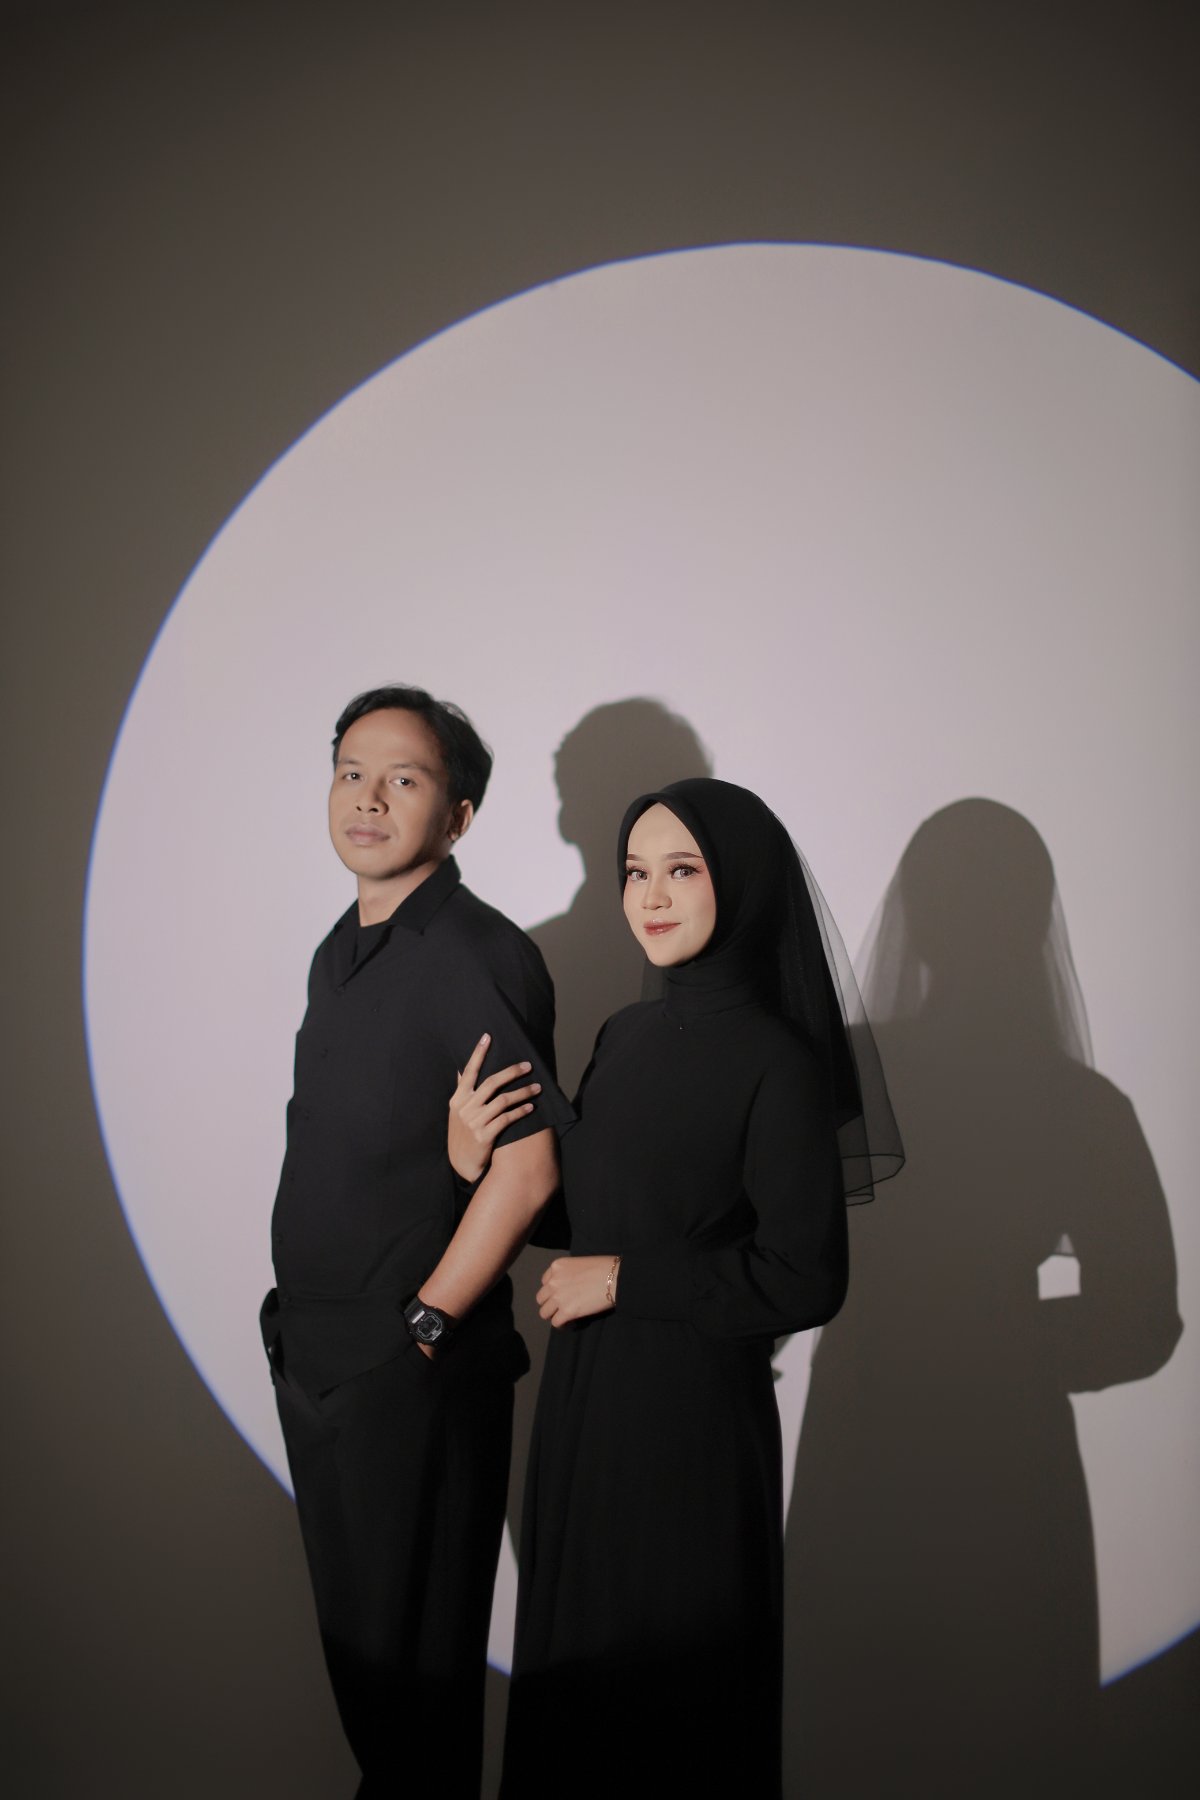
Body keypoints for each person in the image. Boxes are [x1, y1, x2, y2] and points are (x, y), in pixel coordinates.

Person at [450, 777, 902, 1799]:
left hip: (692, 1427)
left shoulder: (780, 1062)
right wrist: (475, 1159)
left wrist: (624, 1280)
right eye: (634, 872)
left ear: (740, 882)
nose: (650, 897)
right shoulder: (624, 1035)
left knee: (672, 1711)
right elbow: (584, 1218)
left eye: (682, 870)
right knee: (580, 1692)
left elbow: (806, 1276)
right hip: (585, 1412)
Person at [261, 685, 572, 1799]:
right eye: (351, 772)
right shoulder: (335, 952)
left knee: (417, 1698)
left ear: (459, 815)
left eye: (404, 779)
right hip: (321, 1359)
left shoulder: (477, 954)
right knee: (372, 1693)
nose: (368, 798)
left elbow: (531, 1170)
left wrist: (426, 1324)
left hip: (411, 1371)